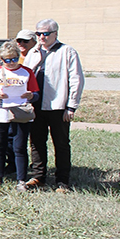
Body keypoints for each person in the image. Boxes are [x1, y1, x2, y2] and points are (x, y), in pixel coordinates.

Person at [23, 19, 84, 192]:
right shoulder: (33, 53)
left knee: (61, 143)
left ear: (55, 33)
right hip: (35, 106)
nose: (42, 37)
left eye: (46, 33)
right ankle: (38, 177)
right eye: (38, 33)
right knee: (36, 142)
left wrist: (71, 106)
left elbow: (76, 79)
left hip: (58, 106)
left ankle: (62, 181)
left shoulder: (67, 52)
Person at [0, 41, 39, 189]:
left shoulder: (27, 72)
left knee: (19, 147)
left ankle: (21, 180)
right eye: (6, 60)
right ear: (1, 60)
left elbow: (36, 94)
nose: (10, 63)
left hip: (20, 112)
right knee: (0, 146)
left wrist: (31, 96)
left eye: (14, 59)